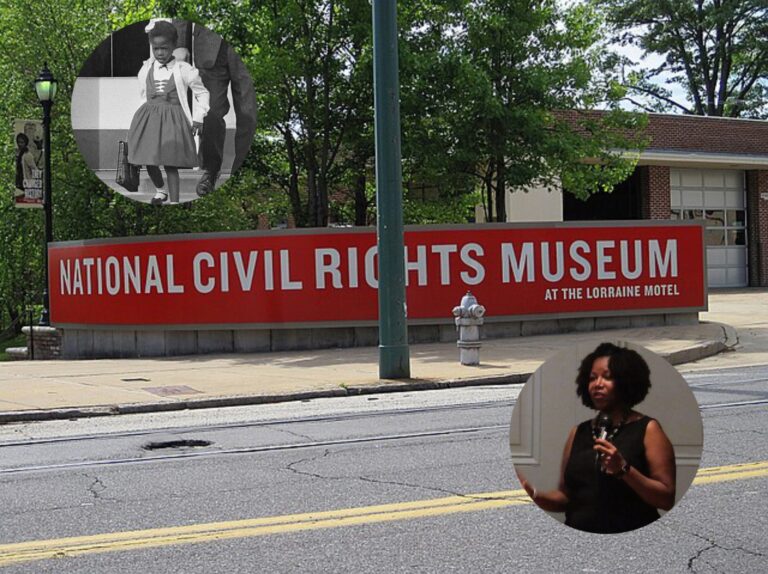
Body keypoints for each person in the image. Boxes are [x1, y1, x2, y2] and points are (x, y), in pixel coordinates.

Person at [519, 343, 676, 533]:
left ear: (627, 381)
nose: (597, 384)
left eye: (607, 377)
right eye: (592, 378)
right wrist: (535, 494)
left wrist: (624, 470)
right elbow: (567, 497)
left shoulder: (648, 429)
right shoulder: (579, 432)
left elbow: (666, 498)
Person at [126, 21, 210, 205]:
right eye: (156, 49)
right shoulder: (146, 69)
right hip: (149, 119)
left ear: (173, 46)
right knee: (149, 159)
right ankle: (160, 191)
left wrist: (199, 118)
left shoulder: (184, 70)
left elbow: (202, 93)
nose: (160, 53)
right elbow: (143, 95)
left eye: (164, 48)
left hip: (173, 120)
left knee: (170, 163)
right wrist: (138, 123)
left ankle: (175, 200)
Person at [179, 22, 256, 196]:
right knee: (210, 110)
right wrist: (179, 45)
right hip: (210, 46)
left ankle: (240, 172)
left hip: (248, 40)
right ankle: (211, 170)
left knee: (248, 113)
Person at [14, 133, 38, 198]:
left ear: (25, 143)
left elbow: (35, 169)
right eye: (18, 142)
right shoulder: (17, 154)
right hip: (18, 183)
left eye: (22, 142)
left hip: (26, 184)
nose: (20, 144)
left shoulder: (27, 155)